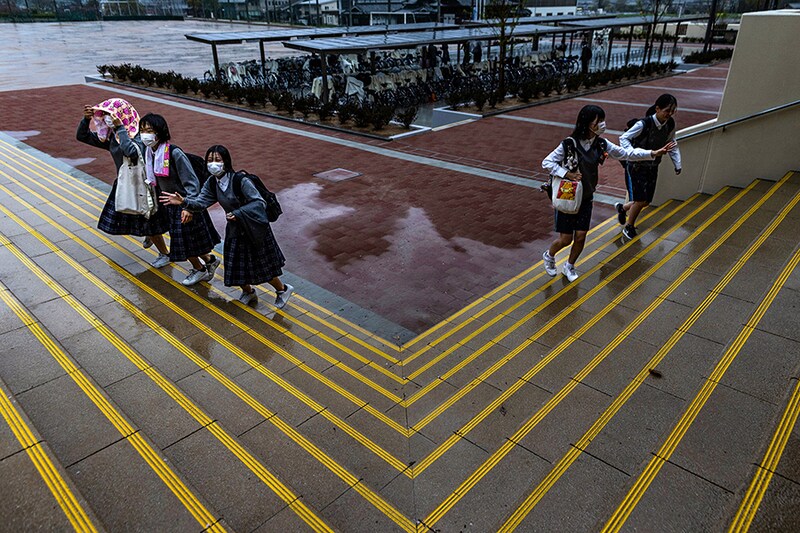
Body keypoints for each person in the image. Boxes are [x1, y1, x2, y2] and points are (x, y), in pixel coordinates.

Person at [541, 105, 675, 282]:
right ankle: (550, 256)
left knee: (580, 237)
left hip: (587, 197)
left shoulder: (601, 143)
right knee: (566, 239)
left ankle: (569, 266)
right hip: (569, 195)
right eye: (599, 121)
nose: (602, 124)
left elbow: (625, 153)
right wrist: (567, 174)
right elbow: (547, 162)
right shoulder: (569, 144)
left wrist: (652, 153)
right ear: (587, 123)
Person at [160, 145, 294, 308]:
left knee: (261, 266)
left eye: (217, 160)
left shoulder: (240, 180)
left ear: (226, 162)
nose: (213, 164)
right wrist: (184, 202)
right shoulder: (212, 182)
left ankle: (282, 289)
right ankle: (248, 292)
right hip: (235, 229)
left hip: (253, 229)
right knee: (235, 266)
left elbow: (259, 202)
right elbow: (202, 202)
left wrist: (238, 213)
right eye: (210, 160)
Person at [76, 98, 170, 259]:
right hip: (126, 184)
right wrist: (86, 119)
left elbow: (130, 152)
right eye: (105, 115)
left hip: (145, 186)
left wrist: (120, 128)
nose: (108, 119)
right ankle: (152, 237)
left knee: (148, 222)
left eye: (110, 115)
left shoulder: (140, 136)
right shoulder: (113, 137)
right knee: (142, 221)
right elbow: (82, 136)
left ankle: (165, 253)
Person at [138, 113, 221, 286]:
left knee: (183, 243)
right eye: (142, 130)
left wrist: (188, 208)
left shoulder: (174, 153)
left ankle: (199, 270)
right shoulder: (150, 153)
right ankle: (210, 260)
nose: (145, 134)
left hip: (184, 204)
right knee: (189, 241)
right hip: (169, 204)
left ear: (159, 132)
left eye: (149, 130)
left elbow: (192, 183)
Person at [616, 94, 682, 239]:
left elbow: (672, 143)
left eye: (673, 111)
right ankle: (629, 226)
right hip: (637, 166)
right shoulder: (643, 124)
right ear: (657, 109)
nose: (669, 114)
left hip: (653, 166)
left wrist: (677, 163)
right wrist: (631, 153)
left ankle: (623, 208)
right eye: (667, 110)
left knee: (646, 201)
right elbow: (624, 138)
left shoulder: (670, 124)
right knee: (640, 200)